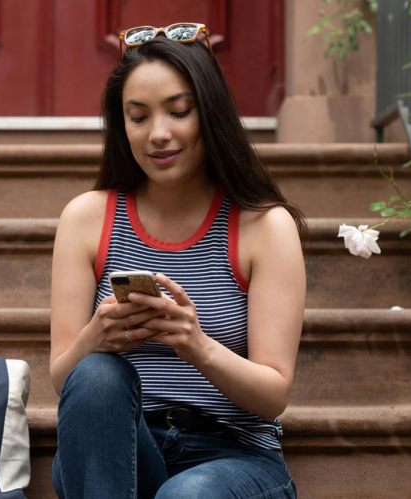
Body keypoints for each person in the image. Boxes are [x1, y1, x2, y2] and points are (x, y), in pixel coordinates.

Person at [49, 22, 306, 498]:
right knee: (97, 373)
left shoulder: (263, 227)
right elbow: (66, 383)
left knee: (184, 496)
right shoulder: (87, 218)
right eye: (138, 116)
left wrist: (195, 343)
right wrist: (94, 338)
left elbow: (273, 396)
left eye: (179, 111)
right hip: (118, 452)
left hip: (234, 456)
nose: (158, 134)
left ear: (209, 113)